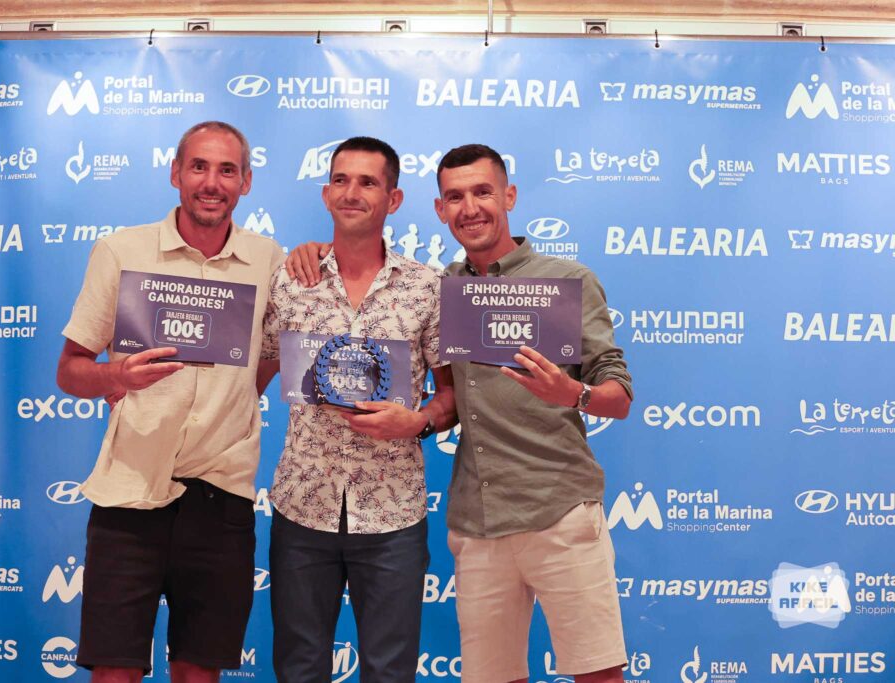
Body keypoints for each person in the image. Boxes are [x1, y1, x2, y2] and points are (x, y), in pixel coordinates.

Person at [286, 143, 632, 683]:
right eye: (455, 197)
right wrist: (316, 250)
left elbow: (619, 393)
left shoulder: (565, 281)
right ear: (439, 209)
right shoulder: (440, 288)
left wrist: (573, 393)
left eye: (482, 192)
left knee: (597, 674)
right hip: (479, 519)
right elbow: (363, 264)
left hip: (559, 508)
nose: (470, 208)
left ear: (509, 196)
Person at [56, 121, 283, 683]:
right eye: (199, 166)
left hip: (221, 498)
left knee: (198, 672)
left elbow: (271, 356)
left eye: (227, 170)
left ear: (246, 182)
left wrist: (233, 402)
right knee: (114, 672)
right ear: (175, 172)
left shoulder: (270, 261)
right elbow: (70, 370)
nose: (212, 182)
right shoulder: (121, 251)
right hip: (129, 493)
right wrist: (117, 376)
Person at [260, 136, 455, 683]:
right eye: (341, 180)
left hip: (393, 513)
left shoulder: (427, 288)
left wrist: (418, 421)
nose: (352, 192)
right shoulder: (290, 280)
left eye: (368, 182)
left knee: (390, 671)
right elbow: (252, 373)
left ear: (393, 199)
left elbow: (452, 395)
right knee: (299, 669)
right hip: (303, 505)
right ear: (326, 194)